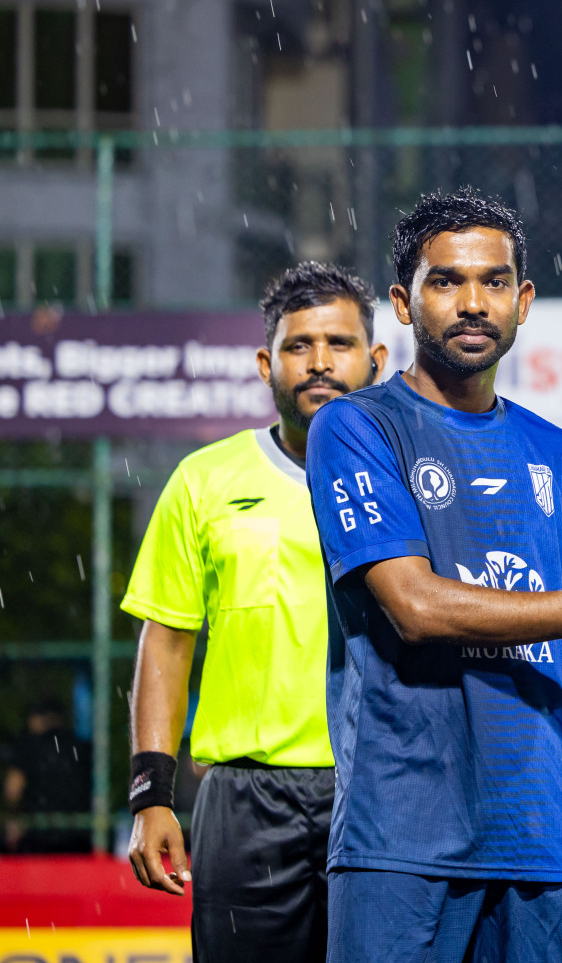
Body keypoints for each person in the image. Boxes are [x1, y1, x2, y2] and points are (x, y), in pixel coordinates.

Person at [305, 187, 562, 963]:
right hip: (403, 840)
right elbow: (416, 607)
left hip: (537, 837)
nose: (473, 302)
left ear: (523, 300)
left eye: (494, 282)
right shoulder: (356, 425)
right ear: (403, 303)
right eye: (447, 281)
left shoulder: (554, 450)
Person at [121, 262, 387, 961]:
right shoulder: (205, 479)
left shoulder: (414, 480)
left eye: (339, 343)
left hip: (383, 785)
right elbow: (166, 640)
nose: (320, 362)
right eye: (299, 346)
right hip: (243, 798)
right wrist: (151, 794)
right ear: (268, 363)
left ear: (377, 360)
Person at [3, 698, 91, 853]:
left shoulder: (28, 746)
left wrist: (15, 817)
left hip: (36, 839)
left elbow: (13, 789)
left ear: (36, 718)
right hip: (78, 840)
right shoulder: (81, 747)